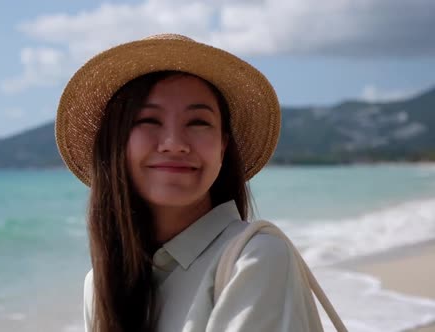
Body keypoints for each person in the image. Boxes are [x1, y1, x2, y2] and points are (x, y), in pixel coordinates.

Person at [55, 34, 324, 331]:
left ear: (222, 147)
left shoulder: (255, 258)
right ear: (114, 144)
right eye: (148, 121)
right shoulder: (99, 285)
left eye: (198, 123)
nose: (174, 144)